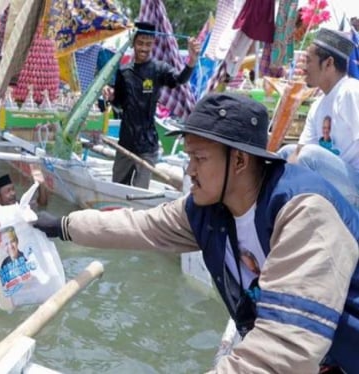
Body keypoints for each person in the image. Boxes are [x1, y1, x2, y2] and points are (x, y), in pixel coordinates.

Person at [34, 93, 359, 372]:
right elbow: (138, 226)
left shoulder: (304, 212)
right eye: (189, 157)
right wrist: (62, 226)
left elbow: (285, 349)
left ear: (241, 161)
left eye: (199, 158)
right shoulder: (209, 210)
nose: (189, 169)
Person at [102, 22, 201, 188]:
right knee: (117, 188)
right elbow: (119, 104)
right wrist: (111, 96)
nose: (144, 48)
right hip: (125, 143)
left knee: (140, 194)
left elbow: (179, 80)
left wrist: (192, 60)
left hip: (147, 146)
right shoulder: (124, 72)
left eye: (148, 44)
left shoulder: (158, 69)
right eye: (140, 43)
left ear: (153, 44)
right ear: (133, 43)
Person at [278, 28, 359, 206]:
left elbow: (306, 155)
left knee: (310, 155)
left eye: (308, 61)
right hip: (337, 180)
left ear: (328, 63)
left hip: (355, 185)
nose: (303, 67)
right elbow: (297, 153)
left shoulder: (350, 91)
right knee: (285, 153)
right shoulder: (318, 104)